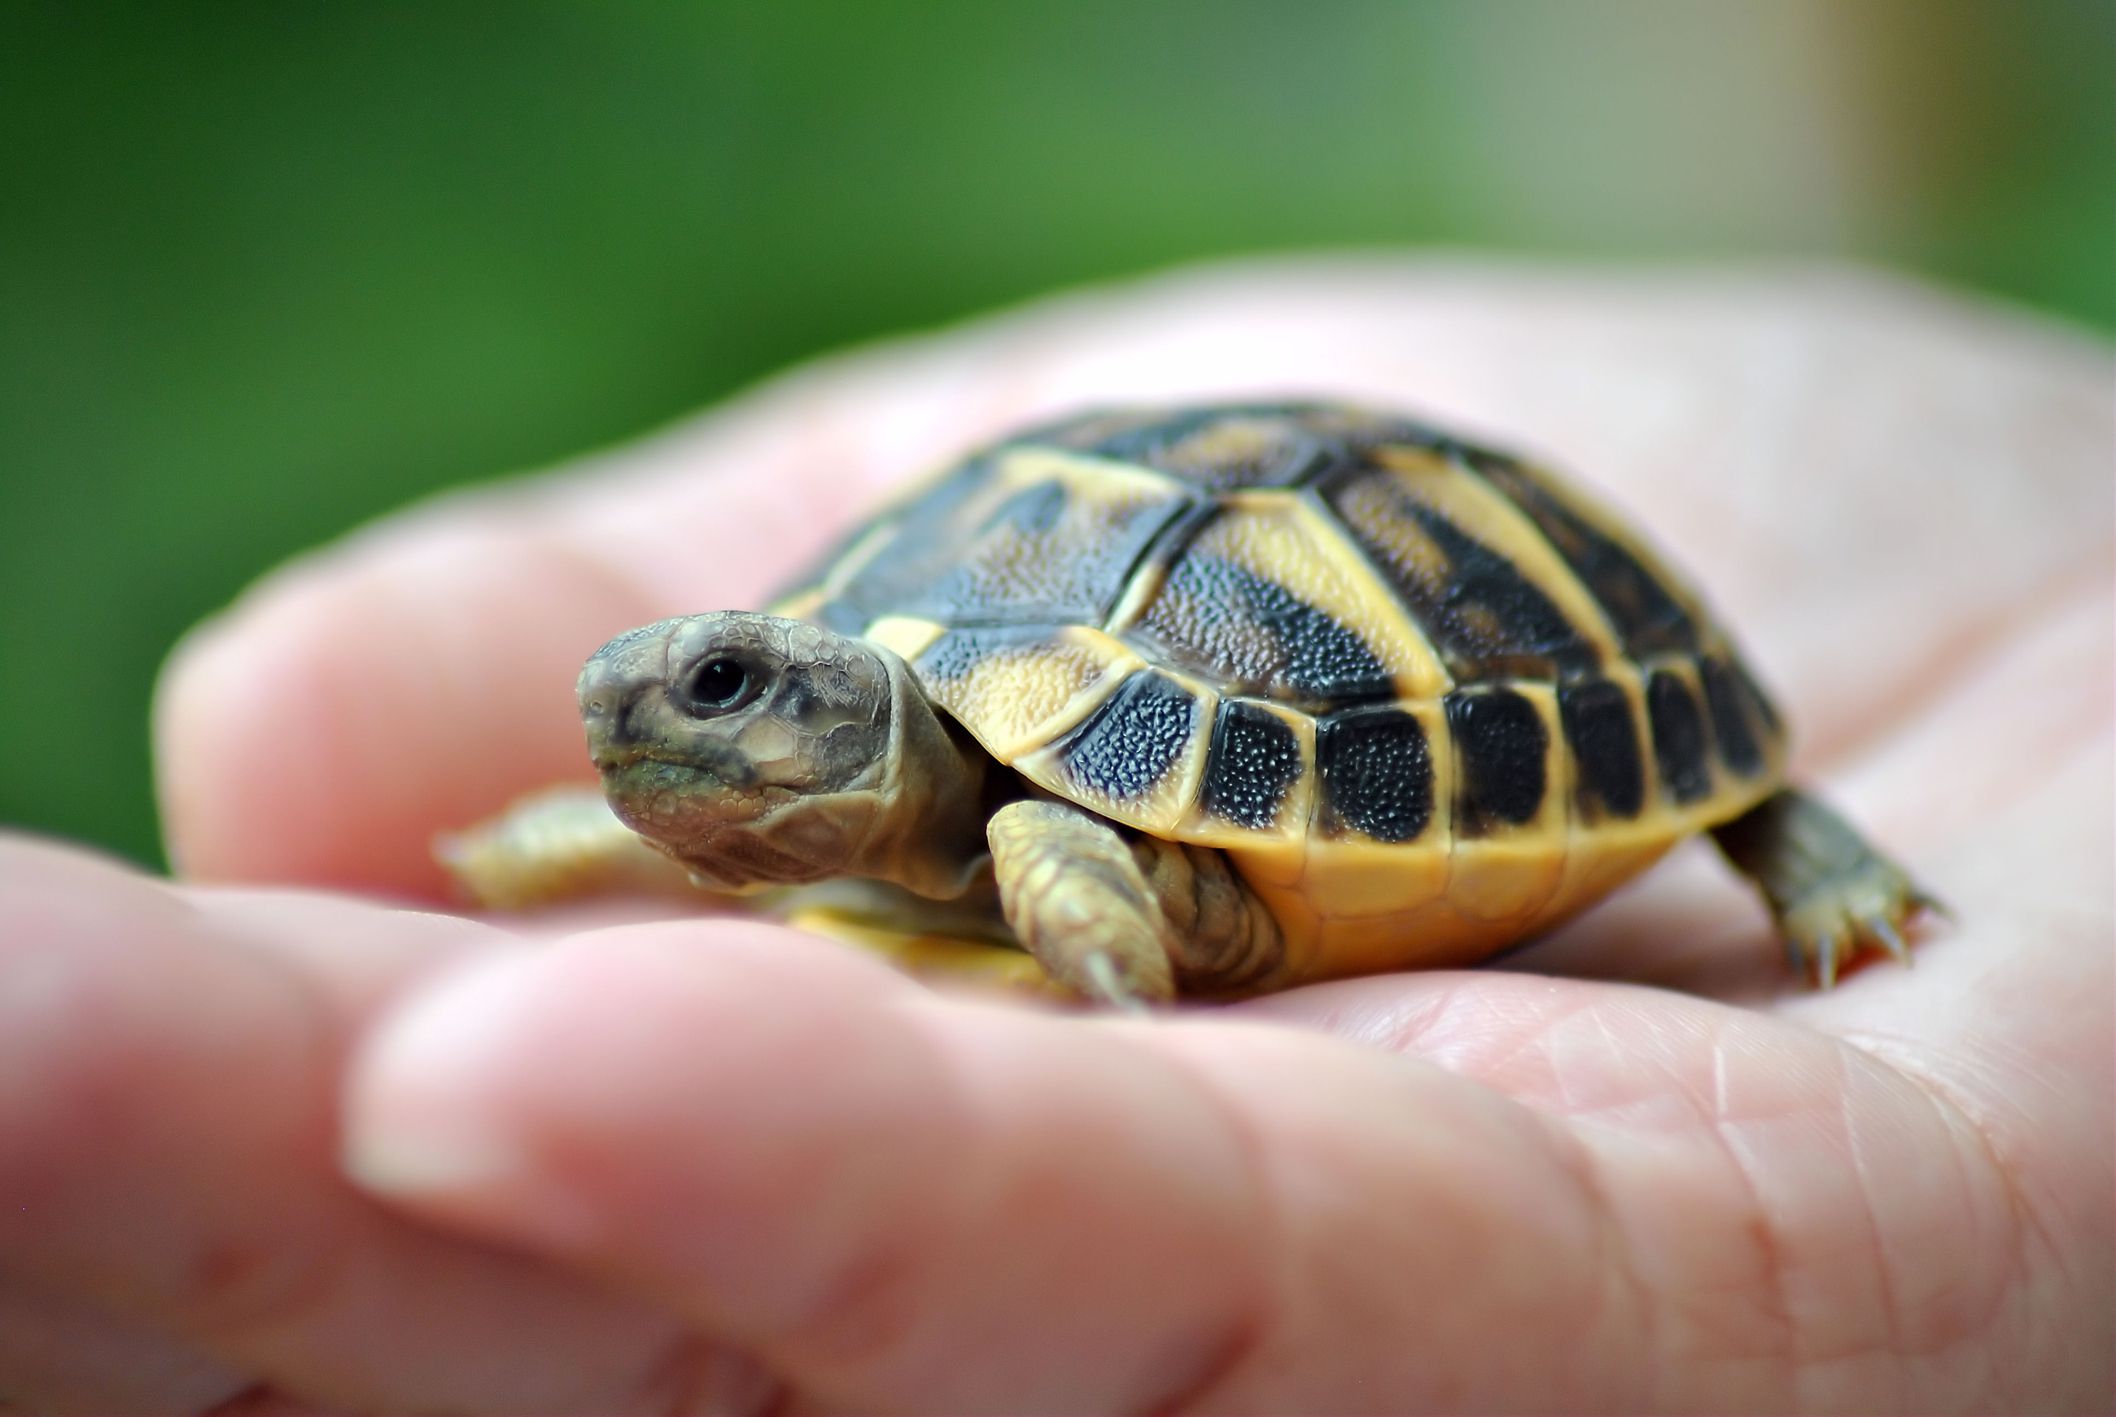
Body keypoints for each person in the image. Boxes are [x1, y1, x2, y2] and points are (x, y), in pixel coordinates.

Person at [1, 263, 2108, 1414]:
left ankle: (1805, 851)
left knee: (1035, 852)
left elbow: (1059, 849)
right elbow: (632, 827)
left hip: (1374, 592)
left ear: (842, 710)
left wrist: (1099, 977)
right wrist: (517, 857)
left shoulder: (1018, 826)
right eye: (648, 727)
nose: (657, 737)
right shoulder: (822, 783)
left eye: (729, 694)